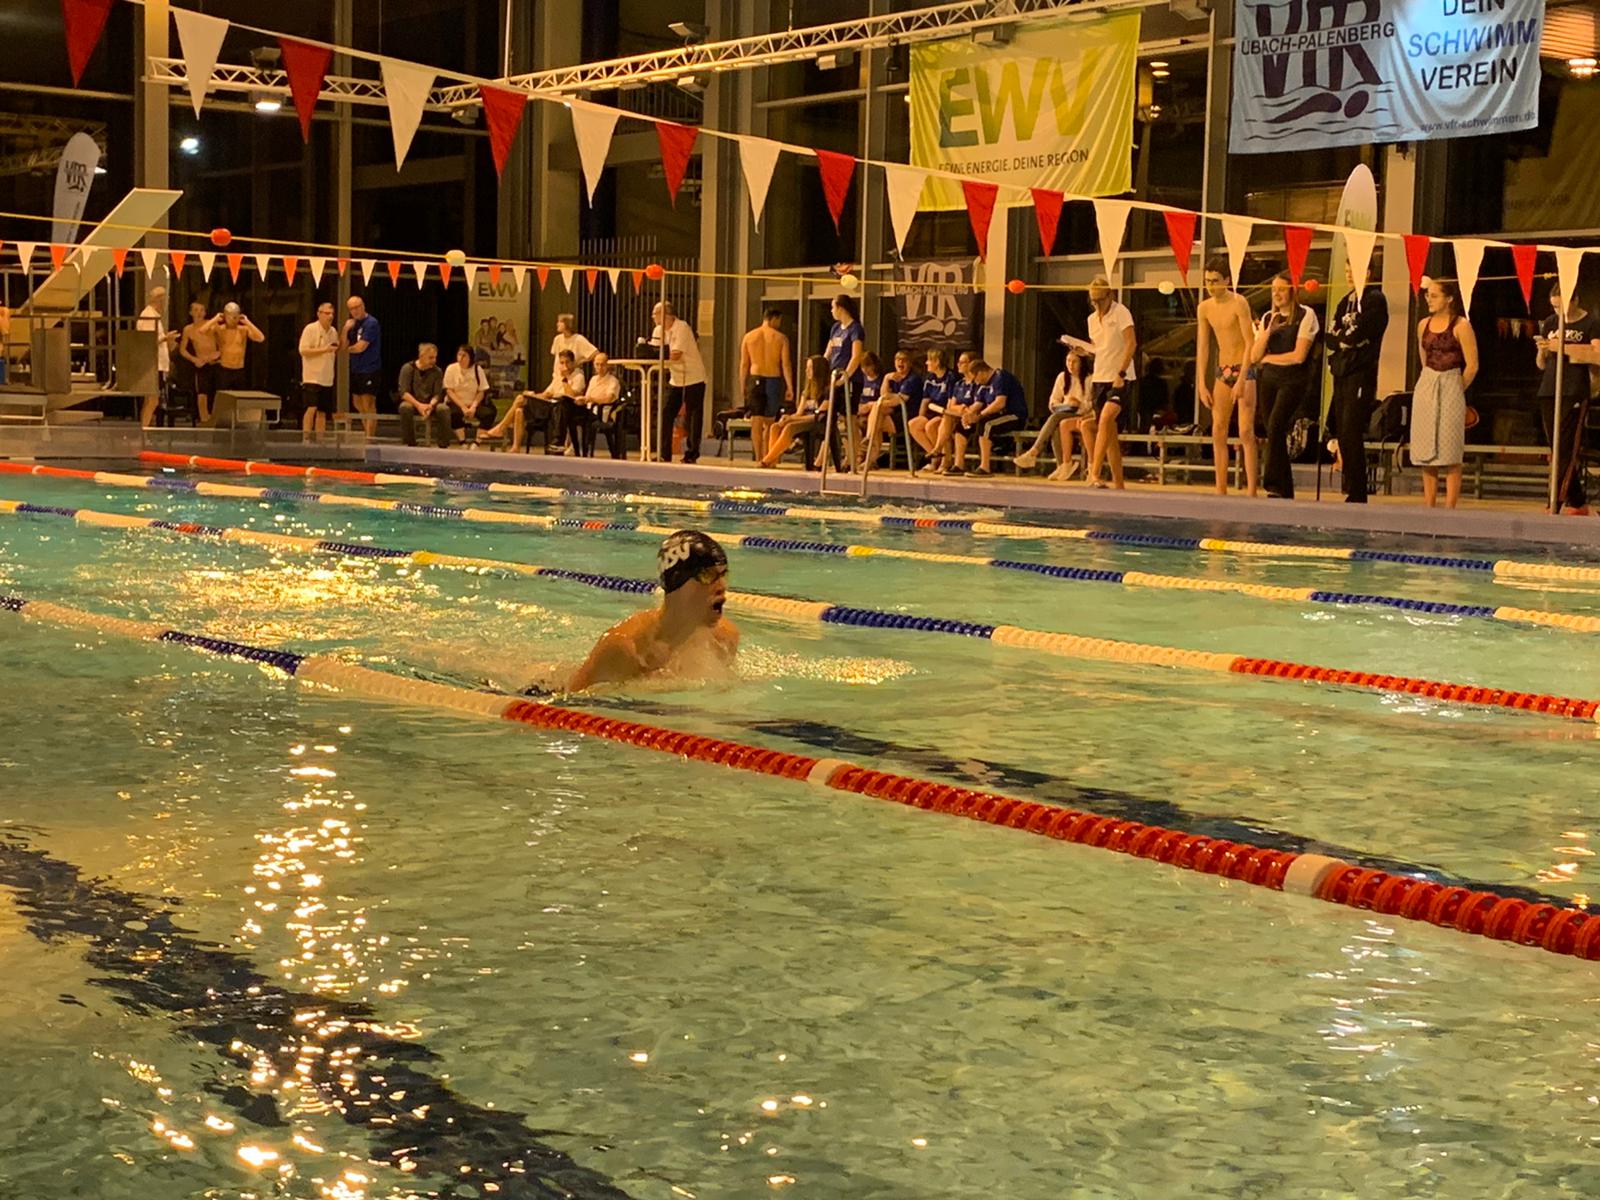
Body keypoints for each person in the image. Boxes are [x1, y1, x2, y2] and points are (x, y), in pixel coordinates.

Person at [567, 530, 738, 692]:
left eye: (724, 575)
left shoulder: (724, 639)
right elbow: (574, 700)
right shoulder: (626, 649)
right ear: (676, 582)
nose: (722, 586)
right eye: (708, 576)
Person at [1251, 272, 1320, 499]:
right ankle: (1284, 487)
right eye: (1273, 290)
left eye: (1281, 289)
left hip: (1293, 380)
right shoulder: (1268, 318)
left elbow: (1299, 356)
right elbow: (1254, 356)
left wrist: (1269, 358)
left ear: (1292, 291)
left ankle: (1273, 484)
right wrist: (1267, 334)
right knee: (1273, 431)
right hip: (1269, 380)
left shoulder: (1306, 315)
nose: (1276, 294)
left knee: (1276, 423)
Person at [1326, 259, 1390, 503]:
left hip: (1361, 372)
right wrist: (1344, 340)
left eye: (1354, 270)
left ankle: (1358, 491)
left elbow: (1361, 332)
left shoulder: (1375, 299)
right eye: (1346, 270)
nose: (1349, 275)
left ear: (1369, 272)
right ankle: (1350, 486)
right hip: (1342, 371)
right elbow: (1331, 336)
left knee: (1352, 428)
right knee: (1342, 430)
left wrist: (1346, 340)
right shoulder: (1345, 301)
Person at [1412, 279, 1477, 509]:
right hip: (1428, 383)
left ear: (1449, 298)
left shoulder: (1461, 326)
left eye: (1434, 295)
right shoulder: (1423, 325)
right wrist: (1427, 384)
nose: (1429, 299)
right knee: (1426, 448)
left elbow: (1472, 365)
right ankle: (1429, 505)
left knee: (1450, 449)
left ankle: (1450, 507)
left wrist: (1457, 389)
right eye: (1427, 295)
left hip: (1451, 382)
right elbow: (1424, 359)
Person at [1535, 283, 1599, 515]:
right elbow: (1541, 364)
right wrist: (1543, 350)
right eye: (1554, 307)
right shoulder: (1551, 322)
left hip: (1574, 388)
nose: (1558, 312)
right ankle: (1578, 501)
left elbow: (1597, 355)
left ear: (1575, 300)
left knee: (1565, 448)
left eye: (1561, 307)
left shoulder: (1590, 323)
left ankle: (1555, 502)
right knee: (1555, 446)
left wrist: (1563, 347)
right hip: (1549, 388)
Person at [1195, 259, 1258, 494]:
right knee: (1218, 430)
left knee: (1245, 431)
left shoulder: (1239, 302)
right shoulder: (1204, 308)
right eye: (1207, 281)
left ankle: (1252, 491)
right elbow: (1203, 347)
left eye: (1215, 281)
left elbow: (1250, 342)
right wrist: (1201, 383)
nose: (1211, 286)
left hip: (1244, 368)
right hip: (1222, 370)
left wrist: (1242, 379)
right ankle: (1220, 488)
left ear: (1227, 281)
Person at [1084, 276, 1137, 489]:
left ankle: (1094, 472)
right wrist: (1084, 351)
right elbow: (1099, 348)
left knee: (1105, 420)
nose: (1097, 305)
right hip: (1100, 377)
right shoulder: (1091, 320)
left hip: (1120, 378)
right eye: (1093, 301)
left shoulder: (1121, 312)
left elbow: (1131, 343)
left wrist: (1121, 373)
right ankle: (1119, 485)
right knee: (1110, 437)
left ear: (1110, 295)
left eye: (1100, 300)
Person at [484, 350, 585, 452]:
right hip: (549, 405)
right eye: (562, 363)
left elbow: (572, 396)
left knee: (520, 400)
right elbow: (546, 394)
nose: (565, 366)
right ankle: (516, 446)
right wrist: (533, 395)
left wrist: (565, 380)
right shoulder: (558, 377)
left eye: (567, 362)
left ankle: (501, 428)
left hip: (562, 409)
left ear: (573, 363)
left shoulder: (578, 376)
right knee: (519, 410)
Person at [1013, 350, 1090, 481]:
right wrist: (1064, 404)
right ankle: (1062, 465)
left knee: (1055, 419)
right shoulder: (1062, 377)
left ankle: (1034, 452)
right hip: (1064, 411)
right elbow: (1053, 401)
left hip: (1081, 414)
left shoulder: (1088, 379)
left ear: (1081, 363)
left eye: (1074, 362)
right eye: (1068, 361)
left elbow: (1089, 405)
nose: (1070, 365)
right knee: (1055, 426)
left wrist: (1078, 404)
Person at [949, 360, 1027, 477]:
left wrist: (980, 416)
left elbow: (1000, 403)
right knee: (961, 427)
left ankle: (985, 467)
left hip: (1013, 416)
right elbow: (978, 404)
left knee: (986, 425)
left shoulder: (1001, 377)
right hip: (994, 416)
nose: (976, 382)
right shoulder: (982, 385)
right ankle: (958, 464)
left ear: (981, 372)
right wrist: (968, 415)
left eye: (976, 378)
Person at [651, 301, 708, 464]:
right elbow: (654, 352)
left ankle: (692, 453)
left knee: (692, 416)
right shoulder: (658, 330)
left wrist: (661, 354)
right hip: (675, 378)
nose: (653, 317)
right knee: (666, 412)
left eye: (655, 314)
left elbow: (676, 354)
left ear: (665, 315)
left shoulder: (681, 327)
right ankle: (664, 452)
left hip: (694, 377)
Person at [738, 307, 794, 462]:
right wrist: (790, 386)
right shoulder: (781, 338)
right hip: (773, 379)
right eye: (779, 321)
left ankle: (758, 457)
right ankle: (768, 458)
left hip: (755, 378)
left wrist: (742, 385)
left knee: (756, 421)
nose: (780, 324)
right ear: (774, 318)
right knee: (770, 422)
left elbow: (744, 364)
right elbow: (786, 364)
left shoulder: (749, 337)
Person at [757, 354, 830, 468]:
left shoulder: (827, 391)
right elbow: (799, 413)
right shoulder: (806, 391)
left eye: (810, 368)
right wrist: (788, 417)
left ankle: (766, 460)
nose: (806, 371)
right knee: (775, 426)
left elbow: (819, 416)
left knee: (790, 427)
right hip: (803, 419)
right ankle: (773, 460)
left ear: (818, 370)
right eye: (807, 368)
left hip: (817, 422)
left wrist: (792, 420)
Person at [822, 294, 866, 470]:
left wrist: (845, 377)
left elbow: (856, 356)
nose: (831, 311)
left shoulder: (855, 329)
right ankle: (843, 456)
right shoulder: (835, 328)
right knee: (834, 418)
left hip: (850, 379)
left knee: (850, 419)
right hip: (834, 377)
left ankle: (854, 457)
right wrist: (822, 370)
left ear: (841, 308)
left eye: (833, 307)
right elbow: (828, 352)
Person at [858, 349, 922, 470]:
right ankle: (870, 458)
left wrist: (873, 405)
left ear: (910, 363)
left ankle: (869, 444)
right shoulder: (894, 377)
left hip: (906, 417)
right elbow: (884, 395)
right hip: (892, 414)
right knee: (877, 421)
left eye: (904, 360)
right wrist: (887, 378)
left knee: (876, 414)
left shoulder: (912, 379)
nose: (900, 363)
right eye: (898, 360)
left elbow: (897, 401)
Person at [136, 285, 178, 427]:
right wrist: (165, 338)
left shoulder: (154, 316)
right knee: (152, 400)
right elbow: (148, 341)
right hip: (152, 364)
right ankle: (144, 428)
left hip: (156, 364)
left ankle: (145, 428)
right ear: (160, 300)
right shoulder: (149, 316)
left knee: (151, 399)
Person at [930, 350, 978, 474]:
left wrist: (964, 409)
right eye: (958, 362)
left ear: (971, 364)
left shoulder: (977, 383)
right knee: (936, 423)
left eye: (962, 362)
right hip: (956, 415)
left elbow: (978, 404)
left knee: (949, 421)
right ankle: (944, 458)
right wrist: (961, 407)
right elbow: (951, 406)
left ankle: (939, 451)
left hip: (972, 417)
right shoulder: (959, 384)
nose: (958, 365)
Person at [297, 301, 340, 438]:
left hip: (327, 377)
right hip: (312, 377)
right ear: (319, 314)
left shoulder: (333, 331)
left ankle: (320, 440)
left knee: (322, 411)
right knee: (312, 407)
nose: (330, 316)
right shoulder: (310, 329)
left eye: (332, 314)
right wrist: (324, 350)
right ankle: (306, 438)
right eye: (327, 313)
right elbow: (303, 350)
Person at [908, 347, 957, 465]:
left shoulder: (950, 377)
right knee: (913, 424)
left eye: (929, 360)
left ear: (937, 362)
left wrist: (946, 416)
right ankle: (934, 456)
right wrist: (921, 416)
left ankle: (946, 459)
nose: (926, 363)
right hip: (932, 412)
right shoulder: (930, 378)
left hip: (945, 413)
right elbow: (925, 400)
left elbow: (951, 402)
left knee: (931, 426)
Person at [342, 296, 382, 438]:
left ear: (363, 306)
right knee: (357, 403)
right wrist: (345, 329)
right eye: (352, 309)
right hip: (356, 369)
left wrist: (346, 350)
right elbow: (343, 344)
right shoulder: (353, 324)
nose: (355, 311)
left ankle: (370, 437)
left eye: (357, 307)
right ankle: (367, 432)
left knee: (368, 404)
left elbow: (360, 347)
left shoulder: (371, 323)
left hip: (370, 368)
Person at [397, 343, 449, 448]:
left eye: (435, 357)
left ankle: (443, 444)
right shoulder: (408, 368)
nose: (434, 360)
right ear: (421, 356)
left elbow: (438, 394)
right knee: (405, 407)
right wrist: (418, 405)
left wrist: (431, 405)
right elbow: (404, 392)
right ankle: (410, 442)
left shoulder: (437, 371)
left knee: (444, 409)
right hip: (413, 402)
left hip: (430, 404)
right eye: (430, 358)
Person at [207, 302, 265, 397]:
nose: (233, 319)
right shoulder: (220, 329)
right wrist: (215, 318)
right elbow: (202, 331)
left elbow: (261, 338)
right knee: (223, 397)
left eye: (235, 316)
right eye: (230, 316)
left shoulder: (243, 329)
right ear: (225, 316)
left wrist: (248, 322)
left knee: (241, 398)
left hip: (239, 369)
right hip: (225, 369)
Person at [443, 344, 495, 444]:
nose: (461, 358)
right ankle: (462, 441)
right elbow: (449, 391)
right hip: (456, 403)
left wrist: (473, 407)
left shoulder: (477, 369)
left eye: (464, 355)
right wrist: (463, 407)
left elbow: (481, 391)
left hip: (473, 403)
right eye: (459, 355)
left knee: (489, 413)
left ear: (470, 357)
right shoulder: (451, 368)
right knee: (453, 414)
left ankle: (477, 442)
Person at [179, 299, 221, 424]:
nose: (199, 313)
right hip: (201, 363)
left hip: (215, 362)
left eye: (202, 310)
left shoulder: (212, 325)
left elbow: (223, 343)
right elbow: (182, 350)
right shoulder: (188, 329)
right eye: (196, 310)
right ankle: (204, 419)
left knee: (217, 392)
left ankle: (217, 418)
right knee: (202, 392)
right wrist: (194, 359)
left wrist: (217, 354)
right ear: (191, 312)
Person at [581, 352, 624, 458]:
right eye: (597, 364)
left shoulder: (613, 381)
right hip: (589, 409)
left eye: (602, 364)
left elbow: (609, 398)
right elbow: (587, 396)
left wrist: (593, 399)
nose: (600, 367)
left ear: (607, 365)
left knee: (586, 418)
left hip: (603, 412)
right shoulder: (593, 379)